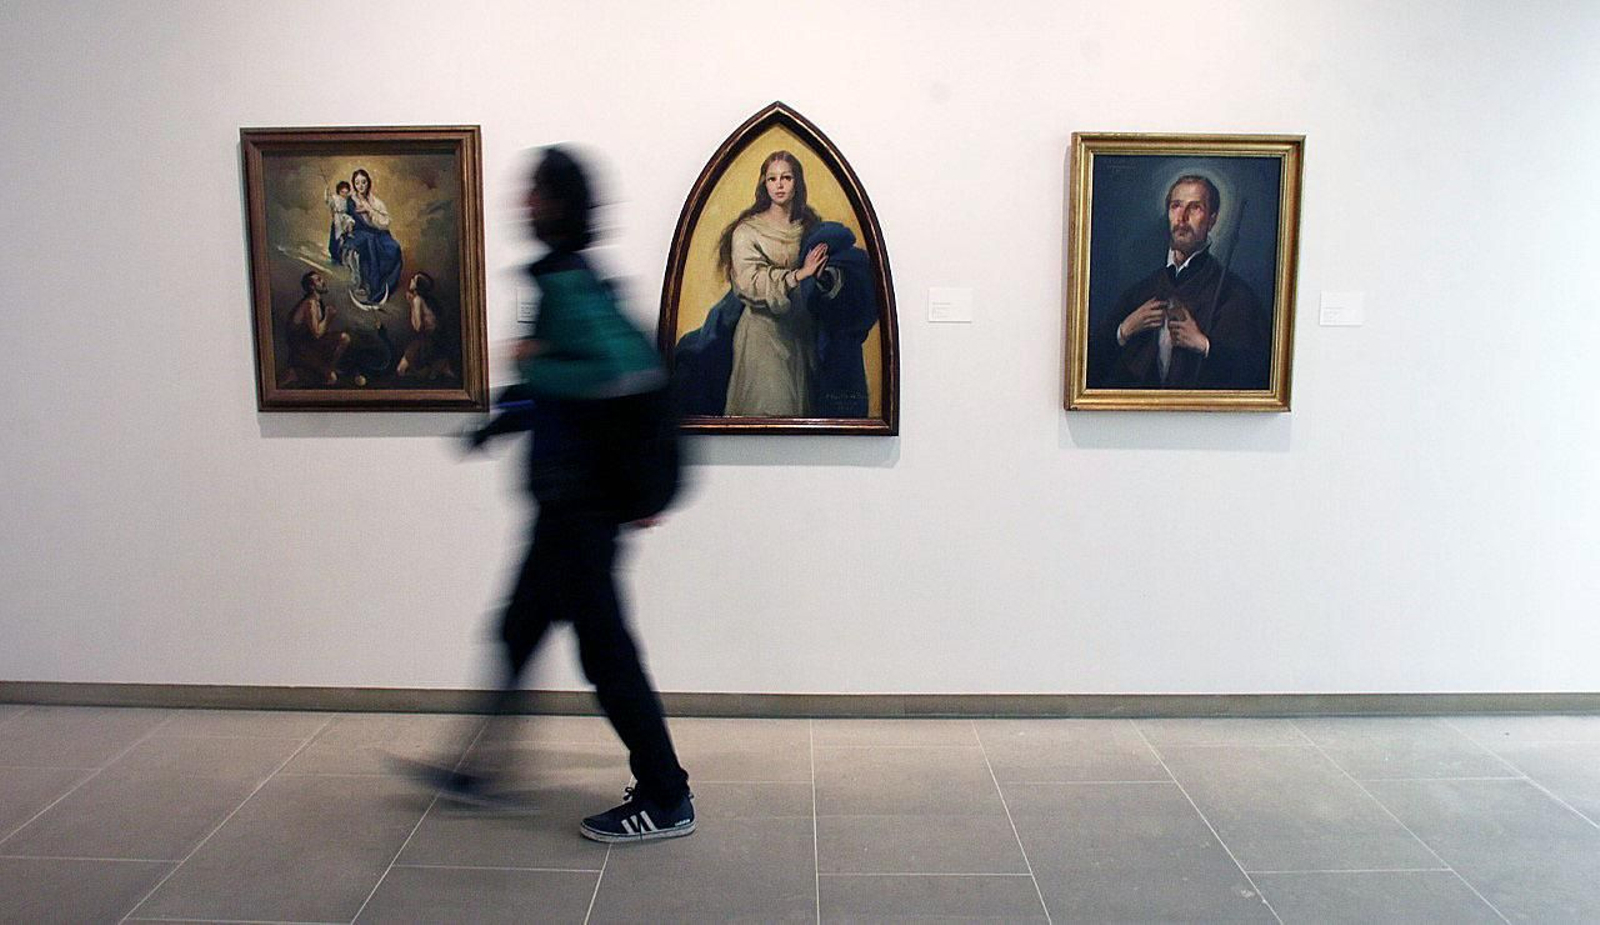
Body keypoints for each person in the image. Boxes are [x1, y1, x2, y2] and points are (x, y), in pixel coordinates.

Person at [417, 146, 693, 844]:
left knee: (606, 654)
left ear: (563, 203)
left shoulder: (568, 281)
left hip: (581, 510)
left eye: (535, 192)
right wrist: (503, 419)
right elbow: (572, 388)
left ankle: (667, 794)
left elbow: (619, 372)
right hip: (564, 506)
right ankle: (478, 768)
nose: (523, 203)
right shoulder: (567, 280)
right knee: (518, 630)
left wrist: (536, 366)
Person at [1088, 174, 1270, 390]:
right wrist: (1125, 330)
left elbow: (1257, 373)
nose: (1182, 218)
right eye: (1176, 206)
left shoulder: (1235, 294)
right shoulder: (1141, 290)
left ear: (1212, 220)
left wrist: (1203, 345)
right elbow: (1090, 367)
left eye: (1195, 208)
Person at [719, 151, 830, 416]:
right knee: (770, 409)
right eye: (772, 178)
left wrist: (824, 277)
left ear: (797, 183)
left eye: (786, 178)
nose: (779, 185)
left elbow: (826, 274)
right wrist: (798, 276)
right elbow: (748, 282)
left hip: (799, 333)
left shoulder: (810, 228)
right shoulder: (747, 231)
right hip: (762, 335)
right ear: (764, 184)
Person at [282, 270, 357, 386]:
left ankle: (329, 367)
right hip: (302, 350)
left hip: (311, 345)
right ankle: (298, 374)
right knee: (332, 379)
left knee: (344, 338)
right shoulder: (310, 304)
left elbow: (319, 334)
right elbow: (317, 333)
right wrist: (328, 317)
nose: (323, 282)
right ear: (312, 287)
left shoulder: (317, 302)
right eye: (318, 280)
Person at [342, 167, 404, 305]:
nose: (361, 186)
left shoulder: (375, 201)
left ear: (368, 183)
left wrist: (369, 210)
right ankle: (375, 289)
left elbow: (385, 222)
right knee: (371, 244)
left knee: (394, 248)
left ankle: (387, 285)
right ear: (354, 184)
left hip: (377, 232)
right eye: (357, 183)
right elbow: (344, 218)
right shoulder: (351, 201)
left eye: (363, 182)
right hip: (359, 233)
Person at [395, 272, 457, 380]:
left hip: (428, 339)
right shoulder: (428, 300)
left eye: (414, 279)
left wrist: (411, 305)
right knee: (440, 371)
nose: (411, 280)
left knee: (401, 370)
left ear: (418, 285)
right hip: (437, 337)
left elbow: (418, 327)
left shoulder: (417, 299)